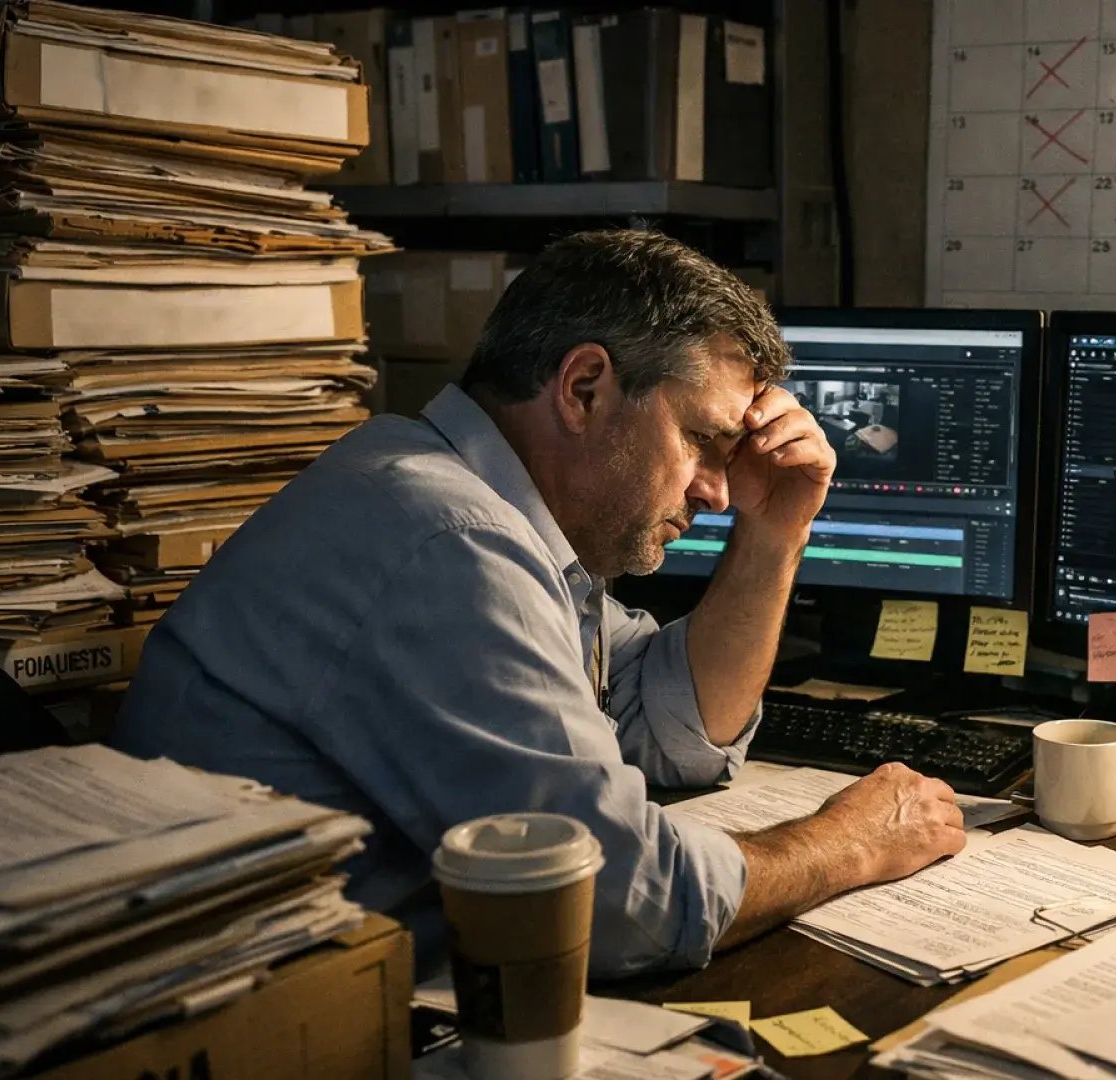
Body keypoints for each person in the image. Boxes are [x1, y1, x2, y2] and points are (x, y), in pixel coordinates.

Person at [111, 230, 966, 978]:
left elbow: (670, 727)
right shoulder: (449, 541)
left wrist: (774, 533)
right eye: (702, 440)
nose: (715, 491)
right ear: (584, 387)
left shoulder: (477, 503)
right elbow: (618, 904)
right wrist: (850, 842)